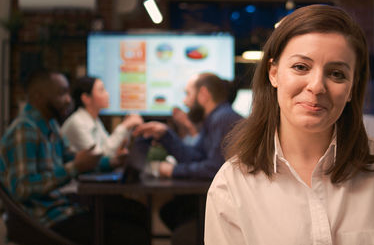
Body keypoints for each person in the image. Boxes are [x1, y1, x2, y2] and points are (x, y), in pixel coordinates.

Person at [205, 5, 374, 245]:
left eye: (337, 74)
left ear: (352, 88)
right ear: (274, 73)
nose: (317, 86)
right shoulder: (231, 186)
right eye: (301, 67)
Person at [0, 69, 148, 245]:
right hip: (43, 221)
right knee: (132, 234)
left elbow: (74, 159)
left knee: (137, 212)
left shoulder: (51, 126)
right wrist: (74, 168)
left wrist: (113, 162)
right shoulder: (24, 131)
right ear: (38, 97)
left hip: (63, 209)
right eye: (62, 93)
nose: (69, 100)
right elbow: (22, 189)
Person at [133, 72, 242, 244]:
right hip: (218, 200)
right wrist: (166, 135)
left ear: (204, 94)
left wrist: (173, 170)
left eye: (188, 94)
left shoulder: (223, 119)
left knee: (180, 231)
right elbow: (195, 156)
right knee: (170, 211)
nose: (185, 102)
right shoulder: (215, 118)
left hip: (231, 208)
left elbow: (213, 168)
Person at [61, 76, 143, 169]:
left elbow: (108, 149)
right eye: (101, 90)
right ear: (86, 98)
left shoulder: (94, 119)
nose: (107, 94)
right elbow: (98, 157)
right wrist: (125, 126)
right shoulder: (77, 122)